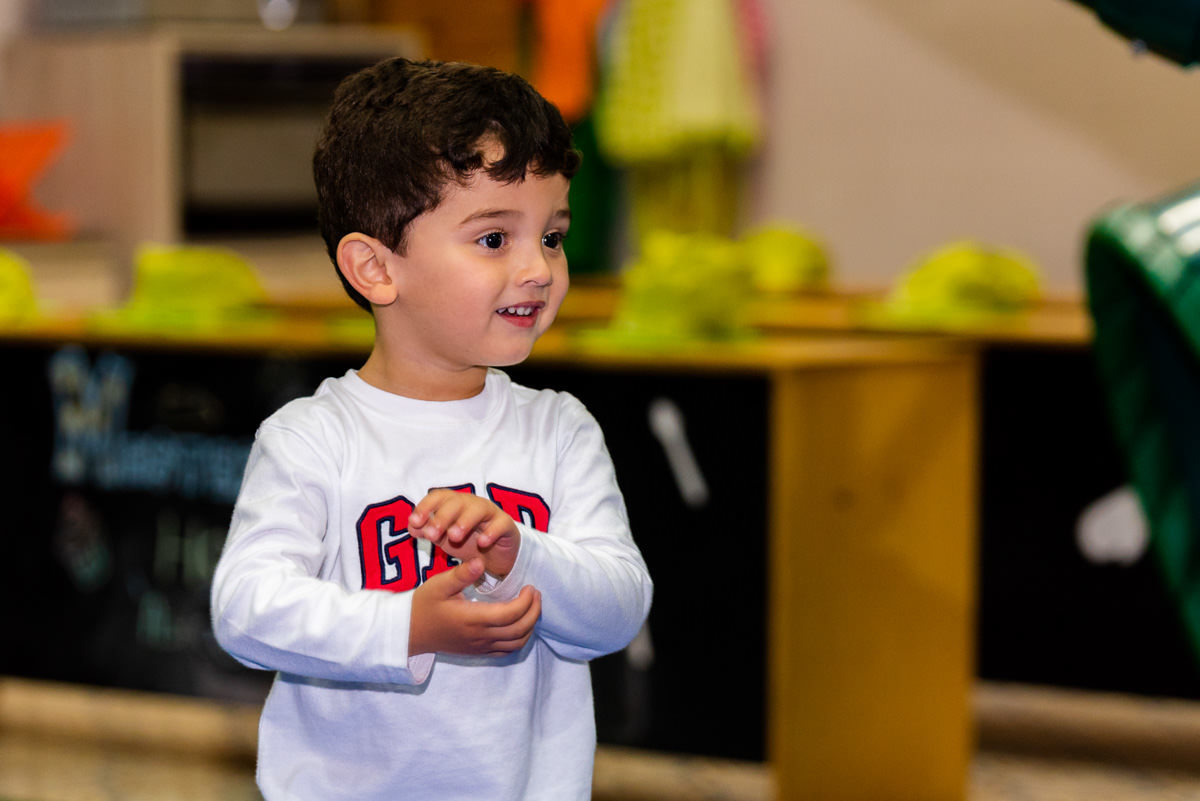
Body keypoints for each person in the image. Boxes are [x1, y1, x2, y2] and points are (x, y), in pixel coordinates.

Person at [210, 57, 653, 801]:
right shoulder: (313, 438)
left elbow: (618, 611)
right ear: (375, 269)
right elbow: (246, 609)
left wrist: (521, 555)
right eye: (494, 239)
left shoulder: (560, 431)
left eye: (552, 236)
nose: (539, 269)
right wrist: (407, 626)